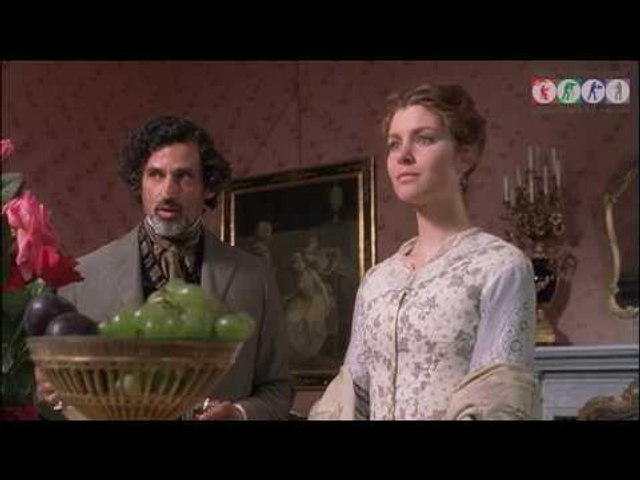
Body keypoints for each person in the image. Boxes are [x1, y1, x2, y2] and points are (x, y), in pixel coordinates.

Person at [36, 115, 292, 420]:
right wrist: (50, 396)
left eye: (184, 176)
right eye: (156, 175)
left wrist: (239, 414)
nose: (168, 192)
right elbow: (46, 402)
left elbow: (278, 390)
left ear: (208, 187)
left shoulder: (255, 277)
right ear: (140, 183)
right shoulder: (81, 278)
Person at [317, 84, 539, 420]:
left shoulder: (501, 267)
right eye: (394, 143)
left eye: (424, 139)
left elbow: (495, 406)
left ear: (465, 155)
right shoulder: (377, 280)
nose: (403, 155)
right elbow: (351, 398)